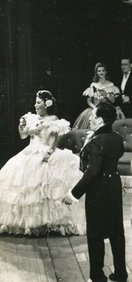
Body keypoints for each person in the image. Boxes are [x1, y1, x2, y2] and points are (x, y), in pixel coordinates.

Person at [0, 90, 86, 236]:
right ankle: (29, 223)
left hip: (46, 151)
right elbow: (23, 136)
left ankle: (52, 222)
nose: (35, 105)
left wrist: (49, 152)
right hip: (30, 151)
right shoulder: (31, 118)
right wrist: (22, 126)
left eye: (38, 102)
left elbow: (53, 141)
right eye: (35, 102)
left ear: (47, 104)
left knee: (48, 188)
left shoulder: (53, 119)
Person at [64, 102, 128, 282]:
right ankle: (121, 273)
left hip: (98, 190)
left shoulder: (96, 141)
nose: (90, 118)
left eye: (93, 116)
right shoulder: (116, 137)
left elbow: (93, 171)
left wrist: (73, 194)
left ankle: (97, 276)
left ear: (100, 119)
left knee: (95, 234)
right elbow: (117, 154)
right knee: (117, 232)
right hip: (114, 186)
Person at [74, 62, 122, 129]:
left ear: (106, 72)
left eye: (103, 70)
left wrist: (106, 95)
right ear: (96, 73)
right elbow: (89, 100)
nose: (101, 72)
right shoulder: (94, 85)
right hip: (95, 109)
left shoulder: (111, 85)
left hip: (107, 110)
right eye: (99, 71)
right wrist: (94, 108)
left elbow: (113, 100)